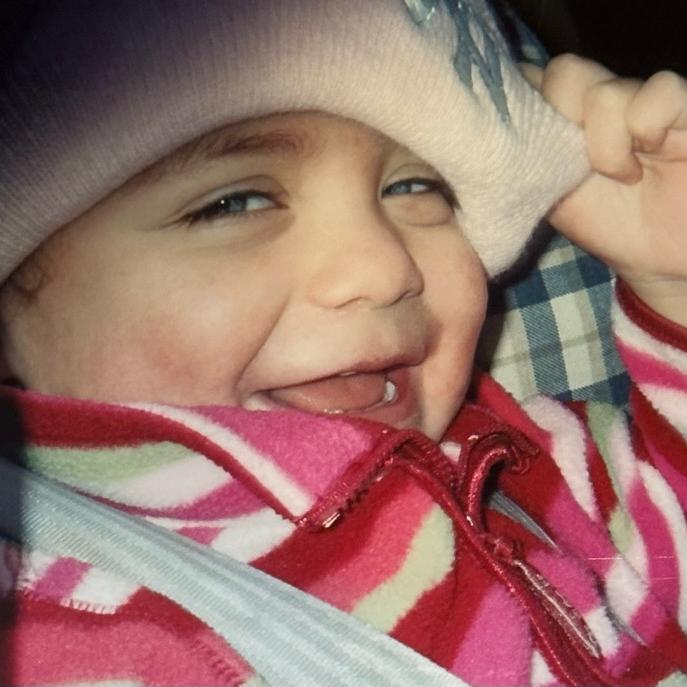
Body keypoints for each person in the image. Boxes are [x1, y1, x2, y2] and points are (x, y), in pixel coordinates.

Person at [0, 0, 686, 684]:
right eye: (234, 203)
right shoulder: (65, 625)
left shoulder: (523, 467)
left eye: (414, 187)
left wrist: (671, 282)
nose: (384, 269)